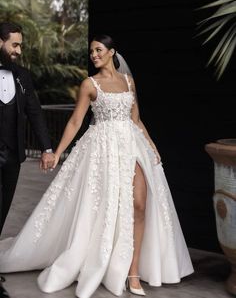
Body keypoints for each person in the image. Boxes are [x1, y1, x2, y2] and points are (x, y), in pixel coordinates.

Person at [0, 34, 194, 298]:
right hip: (102, 149)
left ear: (112, 52)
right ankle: (109, 263)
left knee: (140, 203)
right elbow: (75, 121)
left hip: (132, 145)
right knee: (105, 208)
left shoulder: (128, 82)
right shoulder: (89, 84)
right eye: (91, 51)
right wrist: (56, 152)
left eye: (98, 50)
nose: (93, 55)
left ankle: (134, 272)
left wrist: (151, 145)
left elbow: (136, 120)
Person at [0, 21, 55, 235]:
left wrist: (47, 149)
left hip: (13, 155)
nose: (19, 51)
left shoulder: (23, 75)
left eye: (20, 45)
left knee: (4, 206)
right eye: (15, 45)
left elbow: (35, 112)